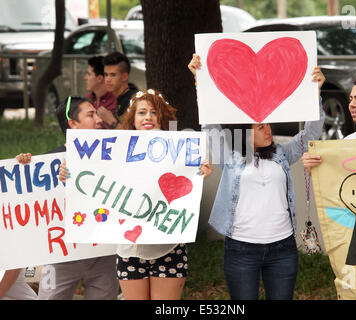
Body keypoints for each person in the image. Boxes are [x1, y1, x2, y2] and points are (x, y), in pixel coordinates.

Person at [188, 54, 326, 300]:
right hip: (241, 249)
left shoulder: (282, 153)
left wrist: (316, 95)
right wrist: (201, 82)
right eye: (261, 126)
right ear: (245, 131)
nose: (268, 129)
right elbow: (209, 123)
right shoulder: (229, 154)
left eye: (268, 124)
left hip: (283, 248)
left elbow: (311, 132)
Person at [62, 89, 211, 300]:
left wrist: (199, 176)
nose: (148, 117)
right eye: (142, 112)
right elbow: (92, 182)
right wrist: (68, 174)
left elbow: (187, 192)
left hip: (168, 249)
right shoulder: (113, 151)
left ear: (162, 117)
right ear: (132, 118)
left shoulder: (180, 152)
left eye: (154, 112)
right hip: (128, 251)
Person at [17, 97, 120, 300]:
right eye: (91, 115)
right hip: (60, 257)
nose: (99, 119)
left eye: (97, 113)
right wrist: (23, 167)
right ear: (73, 124)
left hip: (104, 256)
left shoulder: (115, 155)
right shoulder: (46, 164)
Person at [96, 52, 136, 130]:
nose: (108, 79)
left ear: (125, 76)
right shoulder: (115, 98)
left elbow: (134, 138)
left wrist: (112, 122)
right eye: (106, 75)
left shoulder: (135, 100)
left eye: (113, 75)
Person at [84, 55, 117, 128]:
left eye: (89, 74)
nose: (85, 78)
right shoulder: (86, 99)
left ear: (99, 78)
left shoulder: (116, 101)